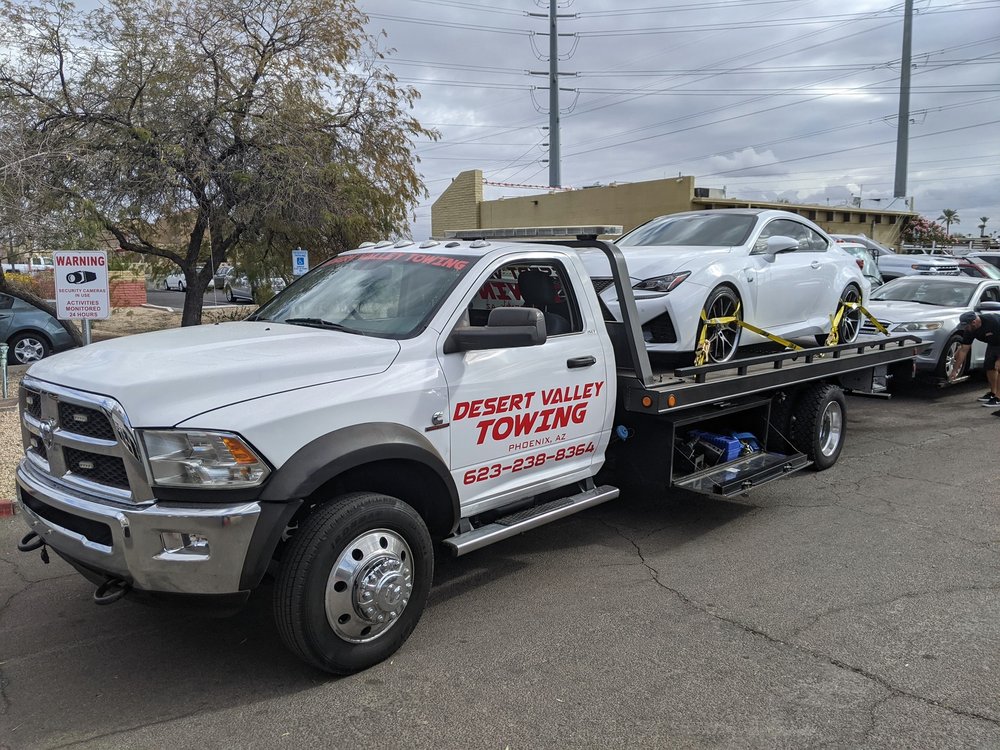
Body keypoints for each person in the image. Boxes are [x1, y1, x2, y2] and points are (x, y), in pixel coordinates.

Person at [949, 310, 1000, 412]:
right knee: (989, 366)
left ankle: (998, 398)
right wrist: (954, 370)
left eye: (966, 326)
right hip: (994, 342)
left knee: (999, 366)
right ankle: (993, 393)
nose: (965, 329)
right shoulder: (969, 330)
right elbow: (964, 350)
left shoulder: (993, 322)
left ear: (974, 322)